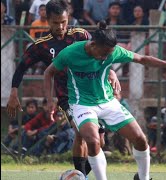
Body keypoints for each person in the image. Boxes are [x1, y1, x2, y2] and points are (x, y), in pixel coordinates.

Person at [43, 20, 166, 180]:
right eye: (104, 53)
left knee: (140, 139)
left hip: (108, 102)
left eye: (109, 54)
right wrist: (49, 100)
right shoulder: (70, 53)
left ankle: (143, 178)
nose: (106, 58)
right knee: (92, 140)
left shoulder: (113, 52)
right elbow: (49, 73)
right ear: (93, 44)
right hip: (81, 104)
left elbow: (142, 59)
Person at [5, 0, 120, 178]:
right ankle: (81, 176)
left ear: (69, 18)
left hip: (92, 93)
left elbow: (100, 51)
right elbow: (21, 67)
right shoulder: (41, 45)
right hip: (68, 96)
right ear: (47, 20)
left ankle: (78, 175)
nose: (60, 26)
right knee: (81, 133)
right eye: (55, 22)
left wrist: (111, 72)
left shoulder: (80, 35)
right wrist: (14, 91)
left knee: (99, 141)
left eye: (64, 22)